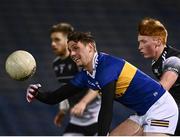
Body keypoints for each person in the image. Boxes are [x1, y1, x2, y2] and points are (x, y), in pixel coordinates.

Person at [26, 31, 178, 136]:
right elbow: (54, 97)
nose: (72, 54)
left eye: (76, 48)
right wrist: (37, 93)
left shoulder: (107, 65)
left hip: (161, 108)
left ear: (90, 47)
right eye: (70, 50)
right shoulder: (86, 75)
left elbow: (106, 106)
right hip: (142, 113)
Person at [48, 23, 101, 136]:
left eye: (57, 40)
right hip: (76, 121)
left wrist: (83, 103)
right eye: (52, 40)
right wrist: (63, 110)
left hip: (95, 119)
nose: (53, 44)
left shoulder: (79, 60)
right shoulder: (56, 64)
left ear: (68, 41)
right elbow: (65, 89)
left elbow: (97, 84)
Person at [137, 17, 180, 135]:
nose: (139, 47)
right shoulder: (156, 62)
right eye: (139, 42)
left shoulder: (173, 60)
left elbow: (162, 89)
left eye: (144, 42)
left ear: (158, 42)